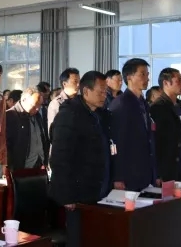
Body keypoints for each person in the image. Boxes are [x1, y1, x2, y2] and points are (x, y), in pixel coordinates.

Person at [49, 71, 112, 247]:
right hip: (77, 193)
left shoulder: (101, 115)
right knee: (78, 238)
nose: (104, 96)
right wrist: (67, 196)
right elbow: (60, 157)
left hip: (98, 190)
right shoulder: (69, 114)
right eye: (100, 92)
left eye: (105, 92)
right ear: (85, 91)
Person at [110, 58, 157, 192]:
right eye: (142, 74)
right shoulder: (121, 104)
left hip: (144, 170)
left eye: (147, 74)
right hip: (128, 172)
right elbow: (116, 142)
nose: (147, 78)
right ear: (129, 77)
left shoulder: (143, 103)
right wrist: (118, 176)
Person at [150, 68, 181, 182]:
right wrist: (157, 173)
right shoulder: (157, 108)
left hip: (180, 165)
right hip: (165, 167)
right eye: (179, 81)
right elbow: (156, 141)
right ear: (166, 83)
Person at [6, 86, 49, 170]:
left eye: (39, 105)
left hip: (39, 164)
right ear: (24, 100)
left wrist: (45, 160)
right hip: (20, 167)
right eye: (34, 105)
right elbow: (7, 145)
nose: (37, 109)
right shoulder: (10, 116)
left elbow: (43, 138)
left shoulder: (37, 116)